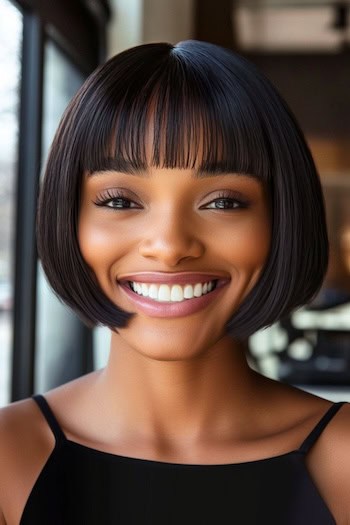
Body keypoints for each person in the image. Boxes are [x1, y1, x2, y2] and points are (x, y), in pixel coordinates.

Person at [0, 40, 349, 525]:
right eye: (120, 200)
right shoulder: (7, 460)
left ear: (281, 219)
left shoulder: (344, 462)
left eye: (224, 202)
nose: (168, 245)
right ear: (69, 217)